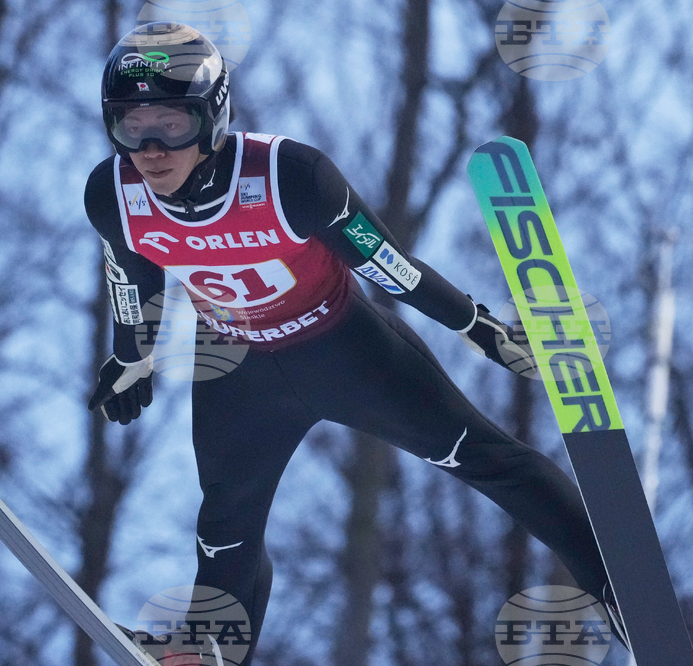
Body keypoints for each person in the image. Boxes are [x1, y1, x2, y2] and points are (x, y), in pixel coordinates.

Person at [84, 21, 627, 665]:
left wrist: (482, 330)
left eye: (171, 124)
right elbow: (133, 273)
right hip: (237, 373)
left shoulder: (293, 176)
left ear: (213, 115)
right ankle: (210, 651)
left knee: (486, 458)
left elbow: (390, 267)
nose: (149, 148)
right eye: (129, 124)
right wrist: (131, 355)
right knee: (224, 528)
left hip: (345, 351)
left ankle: (618, 589)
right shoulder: (112, 194)